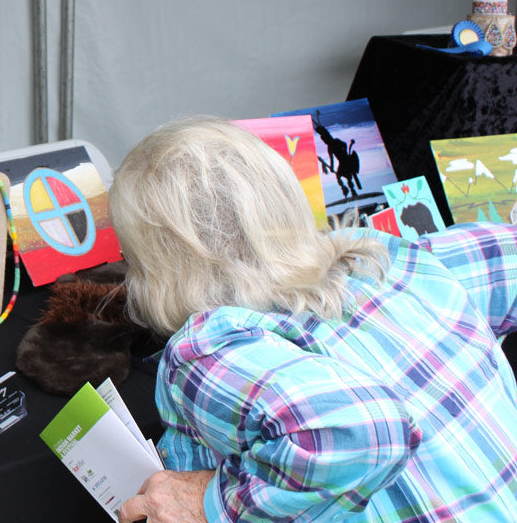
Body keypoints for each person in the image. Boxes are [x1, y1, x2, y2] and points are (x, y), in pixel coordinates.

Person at [108, 117, 517, 522]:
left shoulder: (210, 349)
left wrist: (208, 504)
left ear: (158, 266)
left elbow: (362, 429)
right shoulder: (397, 263)